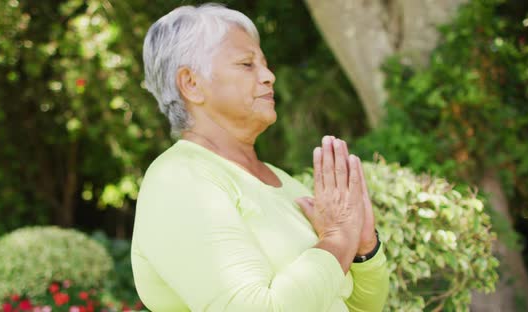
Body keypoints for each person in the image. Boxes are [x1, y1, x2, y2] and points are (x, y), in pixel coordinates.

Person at [131, 3, 389, 311]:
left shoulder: (284, 182)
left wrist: (362, 250)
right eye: (246, 64)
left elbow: (361, 307)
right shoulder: (179, 181)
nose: (269, 76)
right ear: (191, 84)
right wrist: (336, 238)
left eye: (264, 64)